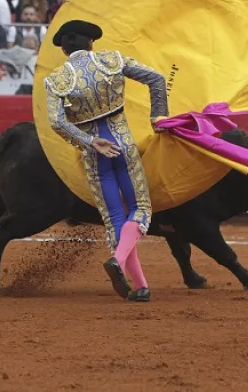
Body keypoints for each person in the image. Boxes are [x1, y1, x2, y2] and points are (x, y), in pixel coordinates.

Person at [43, 20, 168, 302]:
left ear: (64, 49)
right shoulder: (110, 60)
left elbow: (56, 121)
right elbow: (157, 79)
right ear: (90, 43)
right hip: (122, 144)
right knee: (140, 209)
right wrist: (157, 118)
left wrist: (89, 141)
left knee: (115, 218)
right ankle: (120, 262)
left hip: (95, 154)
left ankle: (139, 284)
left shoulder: (56, 79)